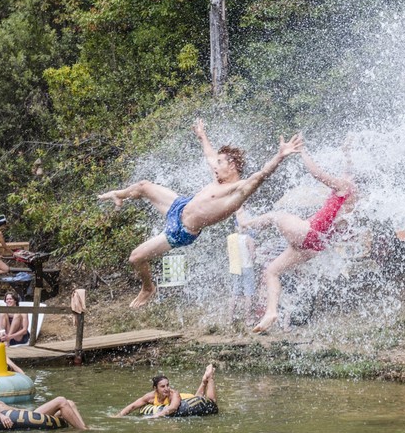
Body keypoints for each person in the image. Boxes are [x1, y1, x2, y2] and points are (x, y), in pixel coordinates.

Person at [98, 118, 303, 308]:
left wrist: (279, 156)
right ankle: (119, 195)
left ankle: (148, 288)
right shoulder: (219, 177)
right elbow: (209, 155)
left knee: (135, 258)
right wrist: (202, 135)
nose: (215, 167)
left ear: (232, 165)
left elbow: (261, 175)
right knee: (143, 186)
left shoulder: (238, 191)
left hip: (182, 230)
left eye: (220, 163)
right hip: (179, 206)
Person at [237, 145, 357, 334]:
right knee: (271, 271)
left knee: (277, 215)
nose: (344, 174)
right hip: (314, 246)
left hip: (308, 232)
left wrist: (303, 152)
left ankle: (245, 223)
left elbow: (317, 173)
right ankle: (271, 312)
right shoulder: (352, 198)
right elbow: (349, 172)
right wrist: (347, 154)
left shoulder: (344, 186)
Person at [0, 374, 88, 430]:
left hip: (30, 415)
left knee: (70, 402)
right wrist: (1, 417)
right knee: (61, 400)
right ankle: (83, 430)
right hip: (30, 418)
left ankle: (84, 427)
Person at [114, 364, 218, 418]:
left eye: (167, 385)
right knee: (198, 395)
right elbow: (133, 406)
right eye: (162, 386)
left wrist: (156, 416)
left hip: (188, 400)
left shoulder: (174, 394)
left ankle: (210, 378)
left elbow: (173, 408)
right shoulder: (150, 397)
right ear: (156, 389)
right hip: (189, 400)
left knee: (211, 401)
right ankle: (204, 381)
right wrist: (119, 416)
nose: (166, 388)